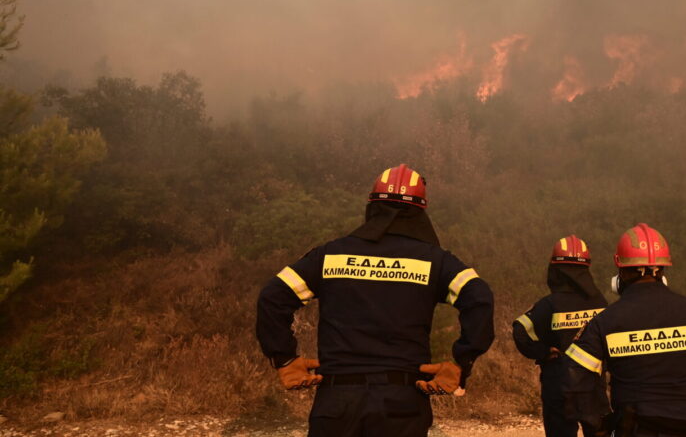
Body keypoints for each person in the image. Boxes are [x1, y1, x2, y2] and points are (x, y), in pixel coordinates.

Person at [256, 164, 495, 437]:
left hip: (337, 403)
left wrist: (284, 358)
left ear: (372, 207)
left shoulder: (330, 255)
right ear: (420, 213)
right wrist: (461, 364)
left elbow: (273, 297)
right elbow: (480, 298)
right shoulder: (435, 262)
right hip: (402, 403)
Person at [563, 224, 686, 436]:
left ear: (621, 272)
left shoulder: (605, 322)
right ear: (663, 270)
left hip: (633, 429)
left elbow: (573, 376)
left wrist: (597, 425)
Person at [512, 235, 609, 437]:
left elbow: (520, 330)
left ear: (555, 270)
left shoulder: (549, 304)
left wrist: (542, 351)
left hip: (558, 385)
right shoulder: (600, 302)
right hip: (593, 384)